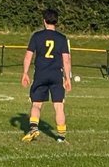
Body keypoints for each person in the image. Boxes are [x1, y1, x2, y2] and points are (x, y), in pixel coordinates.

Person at [21, 8, 72, 142]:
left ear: (44, 21)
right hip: (56, 75)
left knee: (36, 104)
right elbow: (66, 60)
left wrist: (25, 73)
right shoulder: (62, 38)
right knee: (59, 105)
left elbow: (28, 56)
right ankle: (61, 135)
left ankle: (33, 128)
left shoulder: (37, 36)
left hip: (41, 74)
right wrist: (67, 78)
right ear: (56, 21)